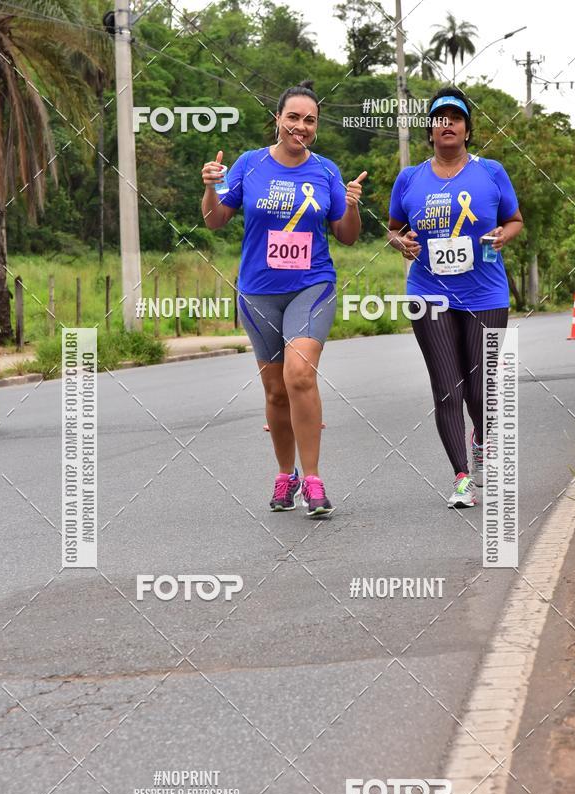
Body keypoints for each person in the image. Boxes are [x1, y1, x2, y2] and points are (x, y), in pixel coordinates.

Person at [201, 80, 367, 516]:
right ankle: (285, 474)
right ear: (277, 119)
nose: (300, 126)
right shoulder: (249, 164)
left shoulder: (326, 171)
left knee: (299, 375)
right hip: (258, 292)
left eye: (309, 120)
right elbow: (216, 220)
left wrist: (351, 205)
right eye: (293, 117)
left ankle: (313, 479)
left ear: (317, 127)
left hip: (312, 286)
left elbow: (346, 236)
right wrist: (210, 186)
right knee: (275, 392)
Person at [387, 86, 523, 508]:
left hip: (486, 293)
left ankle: (481, 440)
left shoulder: (491, 172)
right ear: (430, 130)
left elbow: (515, 219)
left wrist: (504, 235)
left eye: (456, 117)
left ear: (467, 129)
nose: (448, 124)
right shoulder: (410, 178)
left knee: (480, 389)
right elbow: (393, 229)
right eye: (440, 118)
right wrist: (401, 243)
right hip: (429, 294)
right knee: (448, 388)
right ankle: (461, 477)